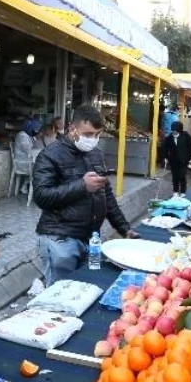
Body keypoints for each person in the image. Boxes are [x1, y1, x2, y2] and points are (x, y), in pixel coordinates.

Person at [33, 105, 139, 285]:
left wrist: (124, 228)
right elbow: (42, 196)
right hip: (61, 239)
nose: (93, 140)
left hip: (91, 239)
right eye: (88, 134)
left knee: (88, 287)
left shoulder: (96, 154)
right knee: (61, 293)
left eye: (97, 135)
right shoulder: (50, 155)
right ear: (72, 129)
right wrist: (82, 186)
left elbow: (106, 194)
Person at [161, 120, 191, 194]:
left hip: (184, 160)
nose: (174, 132)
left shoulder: (186, 136)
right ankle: (175, 191)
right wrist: (165, 157)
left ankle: (182, 192)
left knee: (182, 175)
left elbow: (190, 147)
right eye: (172, 130)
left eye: (175, 131)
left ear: (179, 130)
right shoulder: (169, 138)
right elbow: (165, 149)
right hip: (173, 160)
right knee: (175, 176)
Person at [13, 119, 38, 194]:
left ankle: (24, 186)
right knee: (41, 168)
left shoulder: (26, 135)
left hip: (24, 162)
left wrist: (34, 138)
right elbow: (29, 150)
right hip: (22, 164)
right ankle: (36, 189)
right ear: (29, 127)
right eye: (34, 128)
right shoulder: (22, 136)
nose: (36, 130)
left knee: (38, 166)